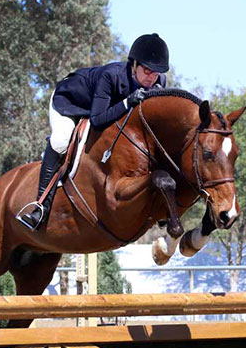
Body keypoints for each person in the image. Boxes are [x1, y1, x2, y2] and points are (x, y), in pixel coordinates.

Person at [17, 33, 169, 230]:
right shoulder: (111, 76)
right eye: (148, 71)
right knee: (61, 142)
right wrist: (127, 101)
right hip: (70, 103)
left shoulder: (158, 82)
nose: (152, 77)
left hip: (100, 108)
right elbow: (97, 120)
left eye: (156, 73)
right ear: (134, 65)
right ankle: (40, 207)